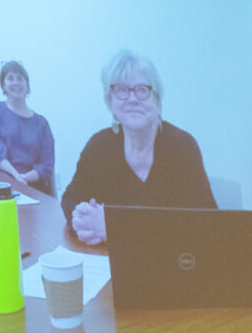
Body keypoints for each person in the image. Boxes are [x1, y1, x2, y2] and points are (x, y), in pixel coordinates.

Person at [61, 50, 217, 245]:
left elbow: (205, 223)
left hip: (170, 266)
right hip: (109, 264)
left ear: (158, 102)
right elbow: (71, 198)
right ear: (110, 102)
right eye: (121, 90)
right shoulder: (98, 146)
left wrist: (114, 226)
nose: (132, 99)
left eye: (142, 90)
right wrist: (83, 219)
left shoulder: (182, 147)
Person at [0, 60, 55, 195]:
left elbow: (46, 165)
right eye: (10, 78)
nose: (16, 83)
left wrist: (23, 178)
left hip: (32, 187)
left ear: (27, 85)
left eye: (20, 78)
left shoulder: (42, 123)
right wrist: (15, 176)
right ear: (3, 85)